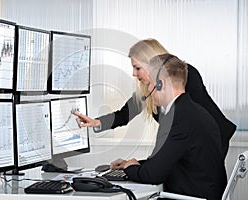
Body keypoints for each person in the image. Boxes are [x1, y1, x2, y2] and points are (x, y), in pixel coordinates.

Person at [73, 38, 236, 160]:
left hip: (212, 141)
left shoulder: (186, 75)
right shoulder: (150, 88)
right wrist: (96, 122)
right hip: (190, 144)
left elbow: (193, 122)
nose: (133, 74)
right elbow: (124, 114)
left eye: (137, 68)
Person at [110, 54, 227, 199]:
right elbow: (169, 159)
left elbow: (153, 175)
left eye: (150, 84)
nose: (148, 90)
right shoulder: (192, 111)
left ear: (161, 84)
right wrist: (134, 164)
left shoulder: (177, 118)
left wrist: (130, 168)